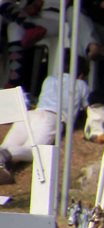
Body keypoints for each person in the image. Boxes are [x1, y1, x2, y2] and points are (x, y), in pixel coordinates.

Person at [0, 56, 91, 184]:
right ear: (81, 74)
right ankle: (4, 156)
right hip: (51, 118)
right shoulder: (81, 84)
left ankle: (3, 156)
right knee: (33, 151)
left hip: (31, 114)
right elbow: (89, 109)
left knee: (6, 144)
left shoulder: (49, 79)